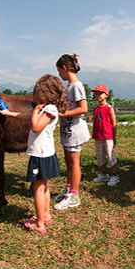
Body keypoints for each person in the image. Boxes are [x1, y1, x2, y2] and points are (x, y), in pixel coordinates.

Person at [0, 75, 66, 234]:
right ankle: (46, 214)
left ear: (47, 93)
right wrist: (9, 113)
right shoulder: (46, 108)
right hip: (46, 153)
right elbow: (27, 117)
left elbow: (35, 127)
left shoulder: (49, 109)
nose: (35, 96)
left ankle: (40, 223)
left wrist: (35, 110)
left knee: (37, 188)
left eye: (38, 92)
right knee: (44, 186)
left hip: (40, 155)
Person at [54, 53, 91, 210]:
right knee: (68, 162)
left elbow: (83, 108)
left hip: (74, 130)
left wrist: (63, 114)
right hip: (67, 130)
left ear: (64, 68)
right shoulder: (68, 86)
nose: (58, 74)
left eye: (59, 70)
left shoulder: (77, 85)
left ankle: (74, 195)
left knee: (74, 163)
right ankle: (69, 189)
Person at [91, 84, 119, 186]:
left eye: (100, 93)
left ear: (106, 95)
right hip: (98, 136)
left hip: (108, 136)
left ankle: (115, 175)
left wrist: (114, 137)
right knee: (100, 156)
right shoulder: (95, 109)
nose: (98, 95)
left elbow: (114, 123)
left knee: (110, 155)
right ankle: (103, 174)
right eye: (96, 94)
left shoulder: (109, 108)